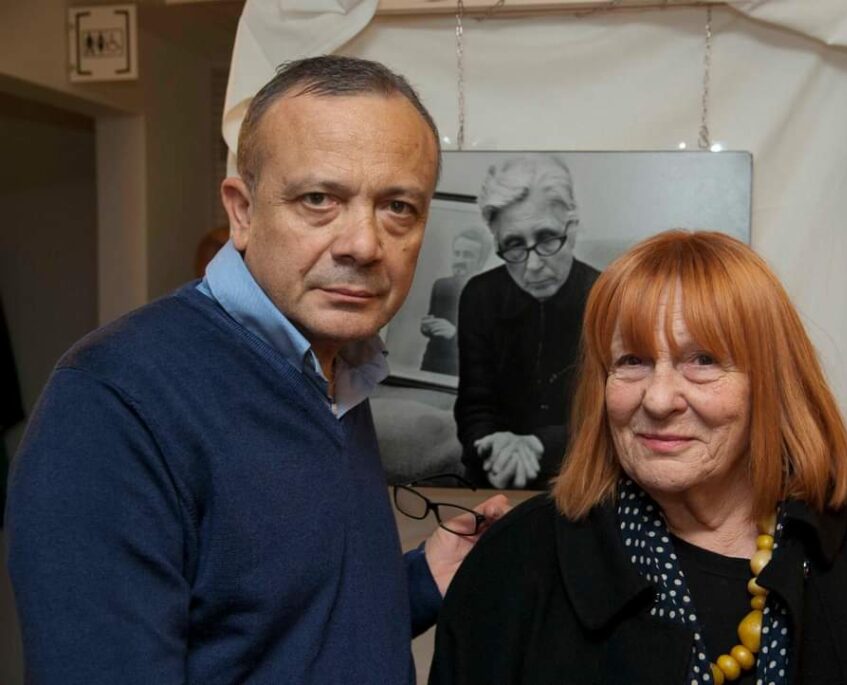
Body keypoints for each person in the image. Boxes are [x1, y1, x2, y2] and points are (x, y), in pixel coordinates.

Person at [6, 56, 507, 684]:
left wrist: (422, 578)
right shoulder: (112, 402)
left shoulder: (340, 371)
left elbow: (277, 633)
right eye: (320, 199)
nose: (364, 243)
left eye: (398, 206)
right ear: (242, 212)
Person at [431, 230, 847, 684]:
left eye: (704, 361)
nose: (659, 399)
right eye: (632, 361)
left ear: (771, 381)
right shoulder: (518, 563)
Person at [455, 154, 600, 490]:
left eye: (548, 239)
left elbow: (611, 416)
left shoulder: (608, 298)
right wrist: (492, 444)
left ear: (573, 229)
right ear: (497, 244)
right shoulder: (479, 296)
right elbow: (474, 406)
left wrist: (538, 446)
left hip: (583, 479)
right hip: (494, 475)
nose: (533, 266)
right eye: (514, 245)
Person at [419, 225, 489, 375]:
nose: (460, 260)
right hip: (431, 364)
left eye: (468, 255)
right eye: (457, 253)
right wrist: (426, 328)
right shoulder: (441, 285)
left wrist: (454, 333)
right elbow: (432, 326)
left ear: (481, 261)